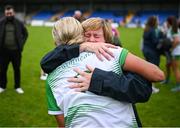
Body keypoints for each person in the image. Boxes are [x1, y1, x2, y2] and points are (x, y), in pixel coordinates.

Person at [45, 17, 164, 127]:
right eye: (87, 35)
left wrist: (99, 80)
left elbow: (157, 76)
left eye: (96, 36)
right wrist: (81, 47)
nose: (91, 40)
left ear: (107, 39)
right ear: (81, 37)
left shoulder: (114, 54)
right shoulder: (54, 72)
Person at [0, 5, 28, 94]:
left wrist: (21, 44)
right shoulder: (1, 22)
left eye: (10, 13)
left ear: (13, 13)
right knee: (2, 70)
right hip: (4, 51)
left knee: (17, 69)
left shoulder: (19, 23)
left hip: (16, 51)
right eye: (7, 13)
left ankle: (17, 87)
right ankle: (2, 86)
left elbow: (25, 34)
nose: (9, 15)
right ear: (5, 13)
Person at [142, 16, 164, 93]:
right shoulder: (153, 30)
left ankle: (148, 86)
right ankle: (152, 88)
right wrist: (162, 40)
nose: (158, 22)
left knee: (148, 68)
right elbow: (155, 42)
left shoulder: (146, 29)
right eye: (157, 20)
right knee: (153, 69)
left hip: (146, 51)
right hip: (152, 52)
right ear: (154, 22)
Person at [166, 16, 180, 92]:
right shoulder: (173, 29)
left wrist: (171, 48)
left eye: (167, 21)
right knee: (169, 65)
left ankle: (178, 86)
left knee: (176, 69)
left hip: (176, 52)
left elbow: (177, 40)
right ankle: (167, 80)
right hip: (175, 51)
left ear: (169, 22)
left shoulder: (173, 30)